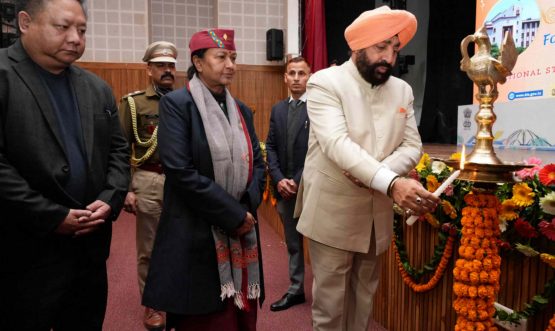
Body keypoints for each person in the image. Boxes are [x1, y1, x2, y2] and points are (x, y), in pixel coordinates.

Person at [295, 6, 440, 331]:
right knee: (330, 312)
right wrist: (390, 183)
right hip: (332, 214)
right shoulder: (324, 83)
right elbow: (336, 143)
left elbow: (412, 146)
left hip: (375, 218)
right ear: (357, 47)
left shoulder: (401, 90)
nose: (389, 57)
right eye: (380, 47)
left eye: (394, 48)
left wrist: (379, 177)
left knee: (362, 307)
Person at [0, 0, 130, 330]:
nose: (75, 38)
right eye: (63, 27)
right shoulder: (4, 75)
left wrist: (111, 197)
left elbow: (117, 151)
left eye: (82, 30)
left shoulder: (96, 87)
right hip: (24, 252)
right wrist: (52, 216)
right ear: (25, 22)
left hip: (89, 251)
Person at [142, 28, 266, 331]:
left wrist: (246, 209)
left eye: (233, 57)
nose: (231, 65)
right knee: (205, 317)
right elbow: (180, 171)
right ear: (198, 63)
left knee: (239, 317)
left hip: (241, 225)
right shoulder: (177, 105)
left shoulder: (241, 111)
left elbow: (259, 164)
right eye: (221, 57)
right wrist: (233, 214)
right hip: (196, 229)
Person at [118, 40, 178, 330]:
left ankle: (178, 298)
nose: (167, 70)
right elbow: (119, 148)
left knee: (181, 242)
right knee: (149, 248)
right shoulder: (134, 103)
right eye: (161, 65)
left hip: (180, 182)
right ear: (148, 70)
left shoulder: (185, 101)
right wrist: (125, 189)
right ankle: (152, 303)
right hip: (148, 178)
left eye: (171, 65)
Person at [265, 56, 310, 312]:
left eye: (301, 73)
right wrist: (280, 178)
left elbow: (319, 150)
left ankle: (326, 295)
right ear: (285, 78)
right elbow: (270, 146)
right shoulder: (278, 109)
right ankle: (296, 289)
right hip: (284, 189)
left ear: (309, 77)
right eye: (291, 73)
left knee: (318, 246)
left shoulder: (318, 108)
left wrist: (297, 180)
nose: (295, 78)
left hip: (311, 189)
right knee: (293, 243)